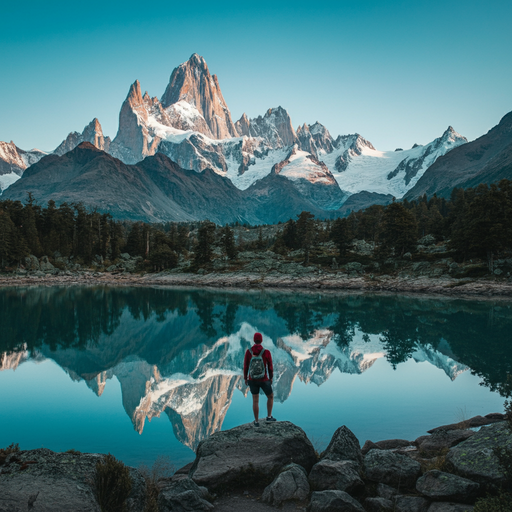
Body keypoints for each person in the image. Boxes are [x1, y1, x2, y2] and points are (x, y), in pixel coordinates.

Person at [244, 332, 276, 426]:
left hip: (252, 379)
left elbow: (246, 366)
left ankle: (257, 422)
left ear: (254, 340)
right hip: (264, 379)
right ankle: (269, 417)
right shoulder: (266, 352)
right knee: (270, 396)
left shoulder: (249, 352)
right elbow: (270, 366)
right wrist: (271, 378)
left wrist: (246, 378)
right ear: (261, 340)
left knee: (255, 400)